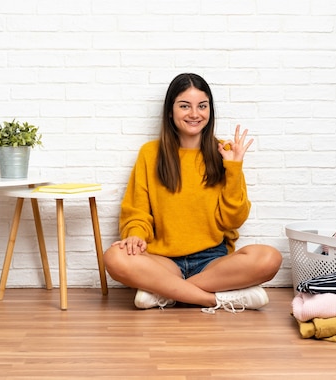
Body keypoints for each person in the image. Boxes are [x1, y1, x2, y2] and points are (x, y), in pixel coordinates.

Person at [103, 73, 282, 314]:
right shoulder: (150, 154)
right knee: (114, 257)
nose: (194, 114)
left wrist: (234, 168)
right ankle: (213, 299)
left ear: (210, 110)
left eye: (202, 106)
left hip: (213, 262)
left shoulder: (224, 153)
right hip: (163, 262)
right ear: (170, 111)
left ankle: (164, 293)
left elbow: (233, 220)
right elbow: (137, 211)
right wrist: (135, 235)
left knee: (269, 257)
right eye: (185, 106)